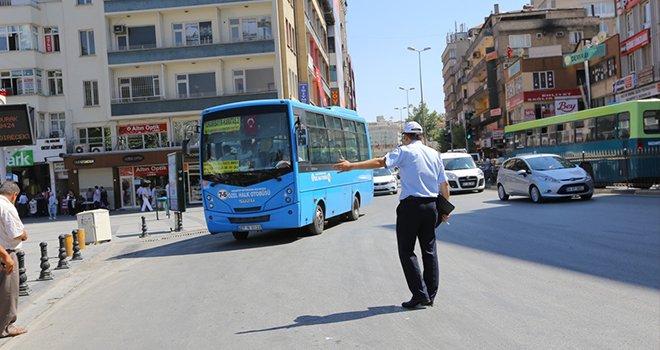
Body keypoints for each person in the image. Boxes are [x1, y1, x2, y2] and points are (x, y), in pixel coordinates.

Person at [333, 121, 450, 309]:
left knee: (406, 251)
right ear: (420, 136)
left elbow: (381, 162)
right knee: (429, 251)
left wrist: (351, 166)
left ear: (405, 136)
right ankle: (430, 294)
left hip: (411, 207)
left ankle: (420, 294)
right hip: (431, 206)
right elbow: (444, 185)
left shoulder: (404, 151)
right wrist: (444, 211)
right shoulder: (434, 154)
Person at [0, 181, 29, 338]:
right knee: (8, 291)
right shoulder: (7, 207)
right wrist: (24, 234)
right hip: (7, 253)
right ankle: (6, 327)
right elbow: (16, 233)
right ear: (14, 195)